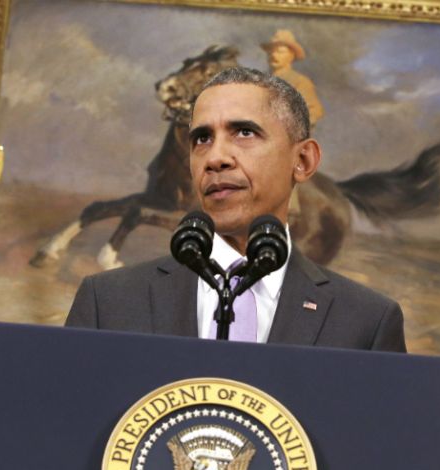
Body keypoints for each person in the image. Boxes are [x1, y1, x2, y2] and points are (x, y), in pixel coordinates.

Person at [66, 67, 405, 352]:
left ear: (302, 161)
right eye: (202, 139)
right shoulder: (106, 303)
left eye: (244, 132)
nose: (215, 158)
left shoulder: (367, 322)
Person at [261, 30, 324, 128]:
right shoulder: (258, 80)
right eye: (271, 52)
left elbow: (314, 111)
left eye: (280, 52)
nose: (273, 55)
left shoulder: (300, 81)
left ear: (291, 56)